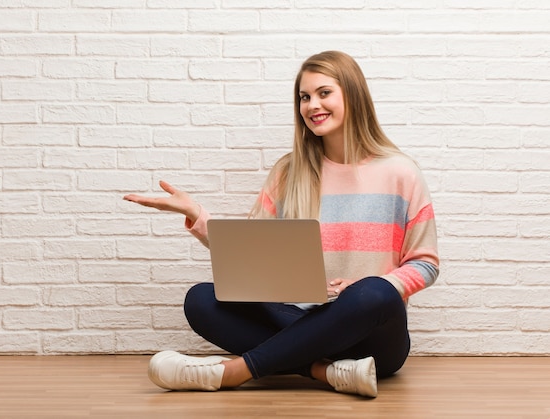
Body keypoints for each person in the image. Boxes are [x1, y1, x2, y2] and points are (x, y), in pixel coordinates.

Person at [123, 50, 439, 397]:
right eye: (304, 97)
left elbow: (425, 264)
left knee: (375, 293)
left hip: (372, 336)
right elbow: (249, 254)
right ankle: (325, 371)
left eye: (323, 92)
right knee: (200, 300)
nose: (311, 105)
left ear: (352, 94)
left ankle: (234, 372)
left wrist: (364, 289)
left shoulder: (400, 172)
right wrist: (200, 217)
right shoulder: (289, 173)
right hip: (298, 321)